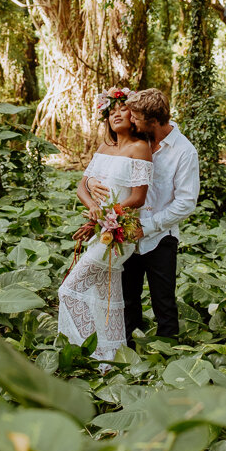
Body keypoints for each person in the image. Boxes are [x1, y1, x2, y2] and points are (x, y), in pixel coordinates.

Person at [87, 88, 199, 345]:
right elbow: (111, 165)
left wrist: (147, 226)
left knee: (163, 301)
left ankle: (167, 353)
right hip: (123, 233)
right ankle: (129, 350)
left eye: (136, 117)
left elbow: (186, 202)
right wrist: (92, 181)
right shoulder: (140, 140)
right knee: (127, 297)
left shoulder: (184, 152)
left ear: (153, 120)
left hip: (160, 237)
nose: (131, 120)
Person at [57, 89, 152, 363]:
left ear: (133, 116)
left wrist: (109, 216)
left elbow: (138, 197)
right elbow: (82, 187)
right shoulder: (104, 148)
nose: (117, 115)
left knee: (69, 291)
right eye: (112, 112)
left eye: (123, 110)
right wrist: (93, 212)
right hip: (101, 228)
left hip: (120, 232)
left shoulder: (139, 148)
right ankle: (109, 355)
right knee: (105, 296)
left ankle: (89, 349)